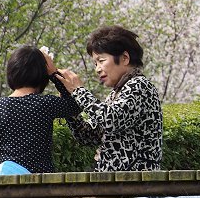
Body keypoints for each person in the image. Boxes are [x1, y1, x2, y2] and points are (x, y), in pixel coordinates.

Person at [57, 26, 163, 172]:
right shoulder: (117, 92)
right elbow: (88, 136)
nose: (97, 69)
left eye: (101, 61)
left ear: (125, 58)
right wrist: (69, 106)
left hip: (135, 181)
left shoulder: (139, 86)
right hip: (115, 181)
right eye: (95, 64)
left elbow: (111, 120)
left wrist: (78, 90)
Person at [0, 46, 82, 174]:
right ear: (42, 76)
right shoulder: (45, 104)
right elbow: (75, 105)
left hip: (7, 181)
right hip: (41, 181)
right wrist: (53, 74)